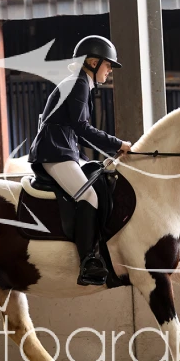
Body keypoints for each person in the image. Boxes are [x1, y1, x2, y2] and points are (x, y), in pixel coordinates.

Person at [27, 35, 133, 286]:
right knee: (88, 195)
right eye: (108, 65)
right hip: (55, 152)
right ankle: (89, 261)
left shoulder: (80, 82)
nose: (109, 71)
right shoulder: (78, 83)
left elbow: (79, 132)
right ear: (93, 63)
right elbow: (82, 128)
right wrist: (118, 144)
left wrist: (112, 152)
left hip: (65, 150)